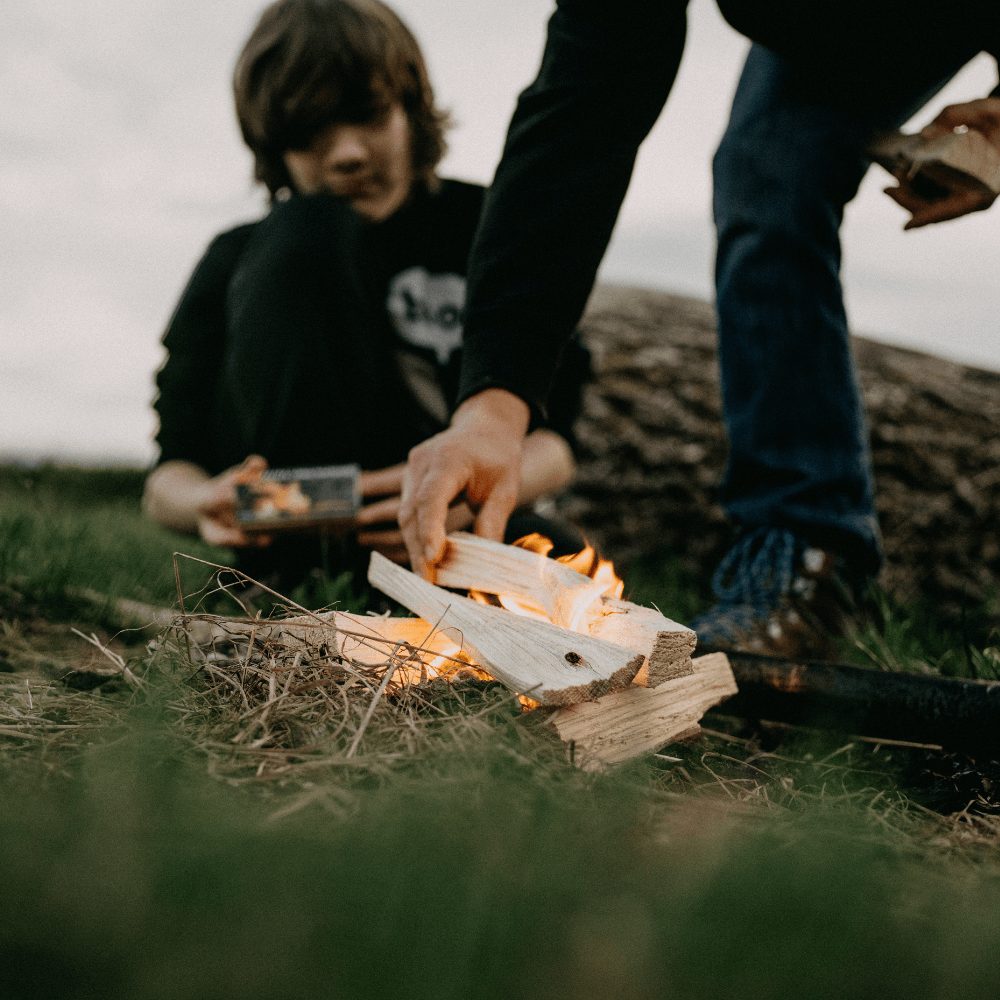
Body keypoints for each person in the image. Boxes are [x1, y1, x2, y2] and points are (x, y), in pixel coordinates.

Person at [399, 0, 1000, 657]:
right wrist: (494, 405)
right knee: (769, 169)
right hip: (838, 32)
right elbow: (582, 112)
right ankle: (805, 554)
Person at [143, 0, 589, 594]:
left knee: (561, 553)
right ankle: (300, 576)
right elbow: (166, 475)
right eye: (309, 134)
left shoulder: (484, 228)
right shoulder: (237, 257)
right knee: (306, 230)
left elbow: (560, 435)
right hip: (286, 527)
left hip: (446, 528)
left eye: (368, 116)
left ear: (410, 108)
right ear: (276, 149)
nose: (348, 154)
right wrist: (206, 501)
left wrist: (474, 489)